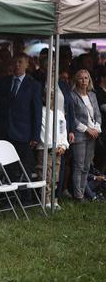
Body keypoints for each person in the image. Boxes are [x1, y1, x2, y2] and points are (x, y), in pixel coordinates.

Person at [0, 53, 42, 178]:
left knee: (25, 169)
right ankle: (11, 197)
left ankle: (26, 198)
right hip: (5, 132)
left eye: (20, 62)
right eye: (14, 62)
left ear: (26, 64)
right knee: (8, 169)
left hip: (24, 134)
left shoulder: (33, 85)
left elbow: (37, 112)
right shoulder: (3, 82)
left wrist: (35, 136)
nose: (17, 65)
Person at [70, 69, 101, 202]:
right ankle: (78, 196)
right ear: (76, 80)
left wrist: (96, 128)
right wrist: (87, 129)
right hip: (80, 134)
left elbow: (98, 114)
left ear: (89, 80)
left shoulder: (92, 95)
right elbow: (72, 117)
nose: (84, 81)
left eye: (86, 78)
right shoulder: (72, 95)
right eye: (81, 78)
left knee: (87, 166)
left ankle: (82, 193)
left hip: (92, 135)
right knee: (79, 166)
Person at [35, 86, 68, 210]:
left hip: (58, 149)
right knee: (45, 173)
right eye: (48, 97)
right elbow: (43, 131)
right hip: (46, 147)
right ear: (43, 98)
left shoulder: (59, 113)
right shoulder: (41, 112)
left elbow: (62, 130)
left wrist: (63, 145)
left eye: (53, 97)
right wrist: (51, 145)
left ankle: (54, 198)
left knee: (55, 175)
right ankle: (45, 198)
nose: (51, 99)